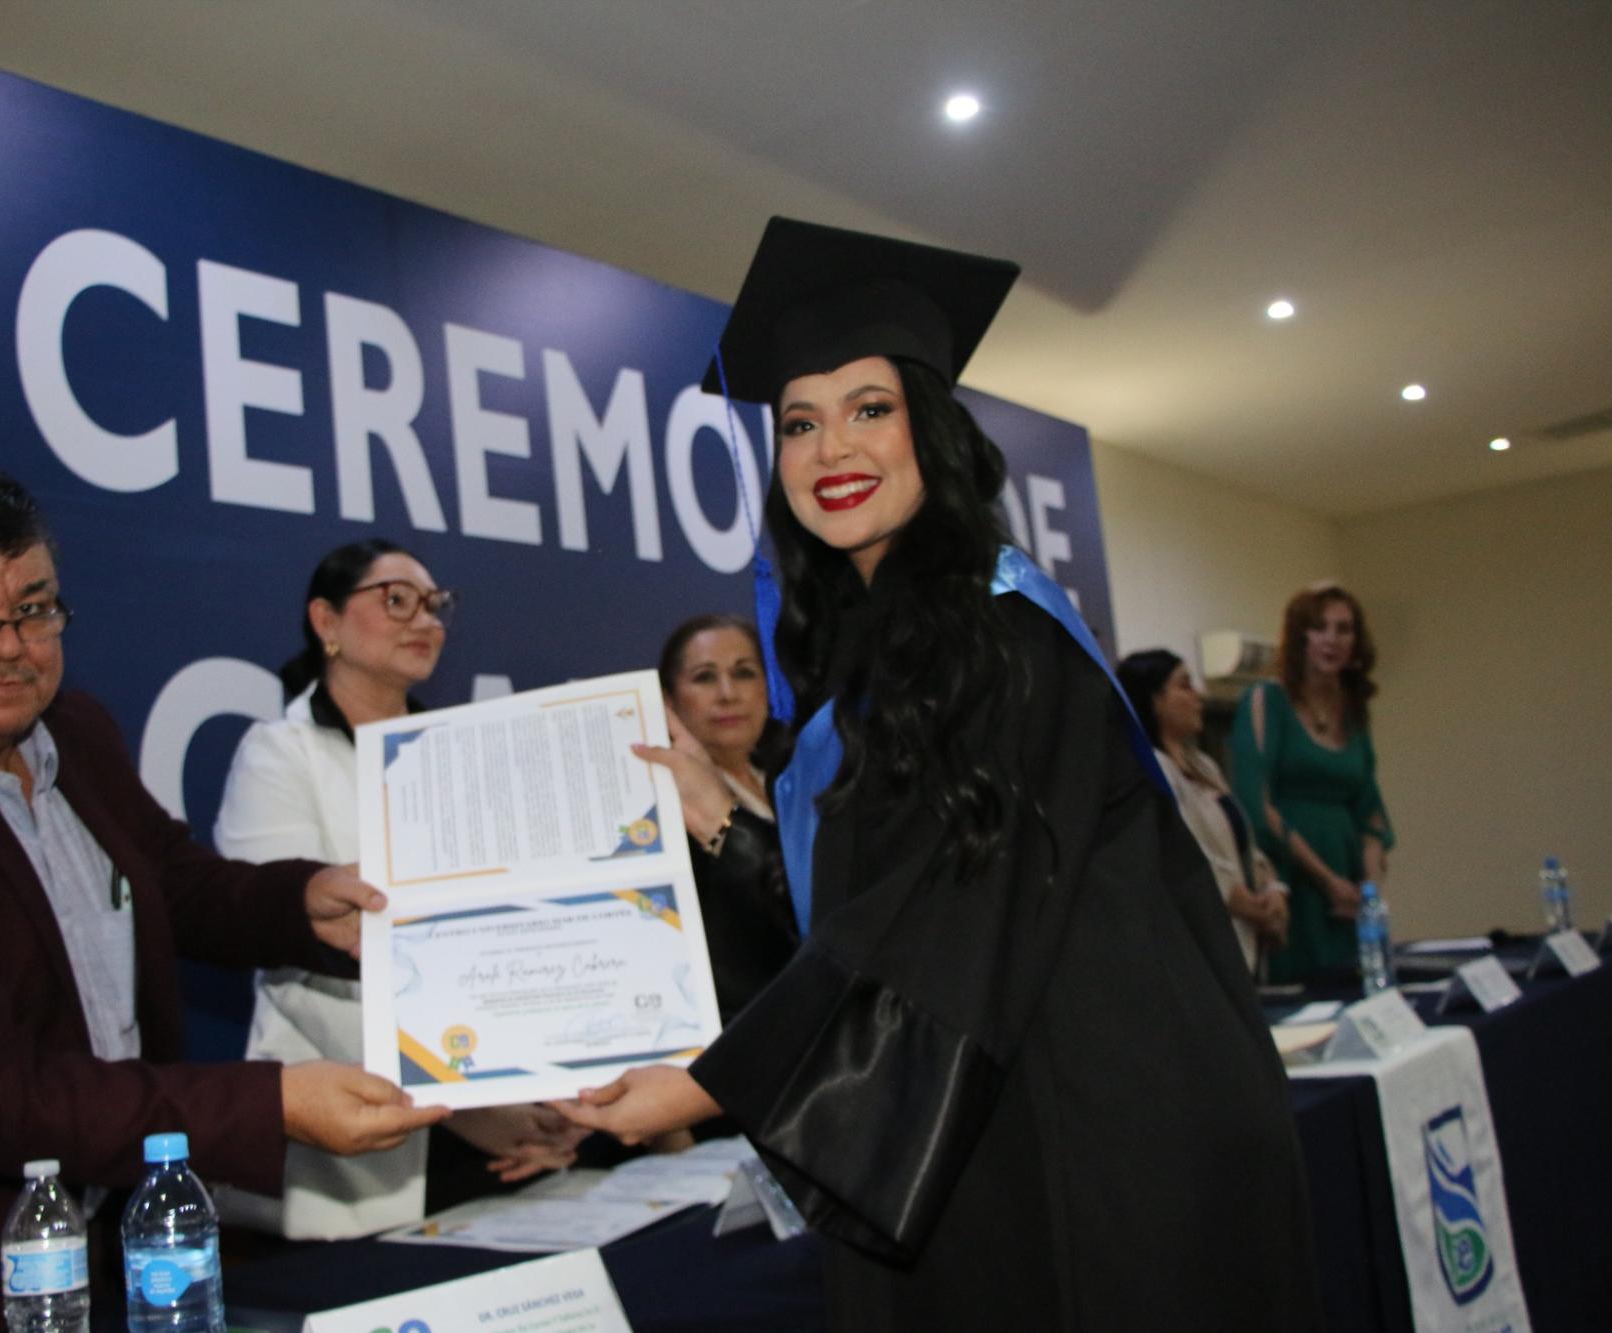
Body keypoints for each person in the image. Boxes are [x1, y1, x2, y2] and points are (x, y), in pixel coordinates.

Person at [553, 218, 1320, 1329]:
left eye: (870, 408)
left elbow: (951, 908)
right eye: (800, 423)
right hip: (1015, 1116)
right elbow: (882, 895)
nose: (832, 449)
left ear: (933, 429)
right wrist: (721, 814)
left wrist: (715, 1079)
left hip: (1103, 1137)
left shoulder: (1001, 634)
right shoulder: (886, 652)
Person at [0, 464, 447, 1332]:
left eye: (33, 609)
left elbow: (173, 881)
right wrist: (273, 1103)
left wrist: (301, 903)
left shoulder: (74, 732)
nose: (5, 645)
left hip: (101, 1268)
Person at [213, 538, 584, 1238]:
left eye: (435, 605)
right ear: (326, 620)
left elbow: (510, 937)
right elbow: (293, 959)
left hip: (499, 1118)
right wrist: (460, 1102)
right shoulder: (278, 754)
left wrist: (554, 1092)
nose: (425, 621)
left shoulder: (460, 756)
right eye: (397, 601)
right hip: (364, 1114)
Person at [1230, 582, 1395, 984]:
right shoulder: (1266, 700)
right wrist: (1326, 880)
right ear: (1300, 635)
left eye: (1344, 629)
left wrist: (1369, 891)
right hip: (1292, 875)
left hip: (1348, 883)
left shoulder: (1354, 710)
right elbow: (1256, 803)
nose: (1331, 640)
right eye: (1320, 627)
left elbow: (1370, 809)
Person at [654, 613, 796, 1021]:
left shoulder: (804, 780)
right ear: (669, 700)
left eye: (744, 673)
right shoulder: (665, 811)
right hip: (743, 1026)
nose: (728, 694)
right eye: (704, 677)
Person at [1118, 648, 1290, 974]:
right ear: (1154, 700)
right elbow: (1184, 852)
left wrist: (1272, 890)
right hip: (1203, 942)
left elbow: (1243, 843)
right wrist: (1240, 900)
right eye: (1184, 685)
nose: (1199, 696)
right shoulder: (1152, 772)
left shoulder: (1205, 766)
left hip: (1247, 938)